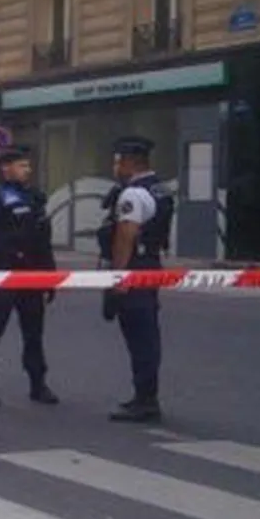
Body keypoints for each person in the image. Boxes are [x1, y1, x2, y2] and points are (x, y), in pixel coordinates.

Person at [0, 145, 59, 408]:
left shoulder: (35, 197)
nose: (27, 170)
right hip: (3, 275)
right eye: (22, 166)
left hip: (32, 275)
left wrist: (49, 276)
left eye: (27, 165)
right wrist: (14, 257)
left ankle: (38, 382)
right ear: (6, 168)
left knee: (33, 332)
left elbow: (44, 240)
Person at [97, 135, 175, 423]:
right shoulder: (160, 190)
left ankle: (145, 399)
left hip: (135, 266)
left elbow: (125, 237)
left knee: (140, 335)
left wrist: (119, 276)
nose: (115, 167)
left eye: (118, 162)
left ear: (130, 163)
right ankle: (145, 395)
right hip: (150, 264)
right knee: (147, 332)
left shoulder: (133, 195)